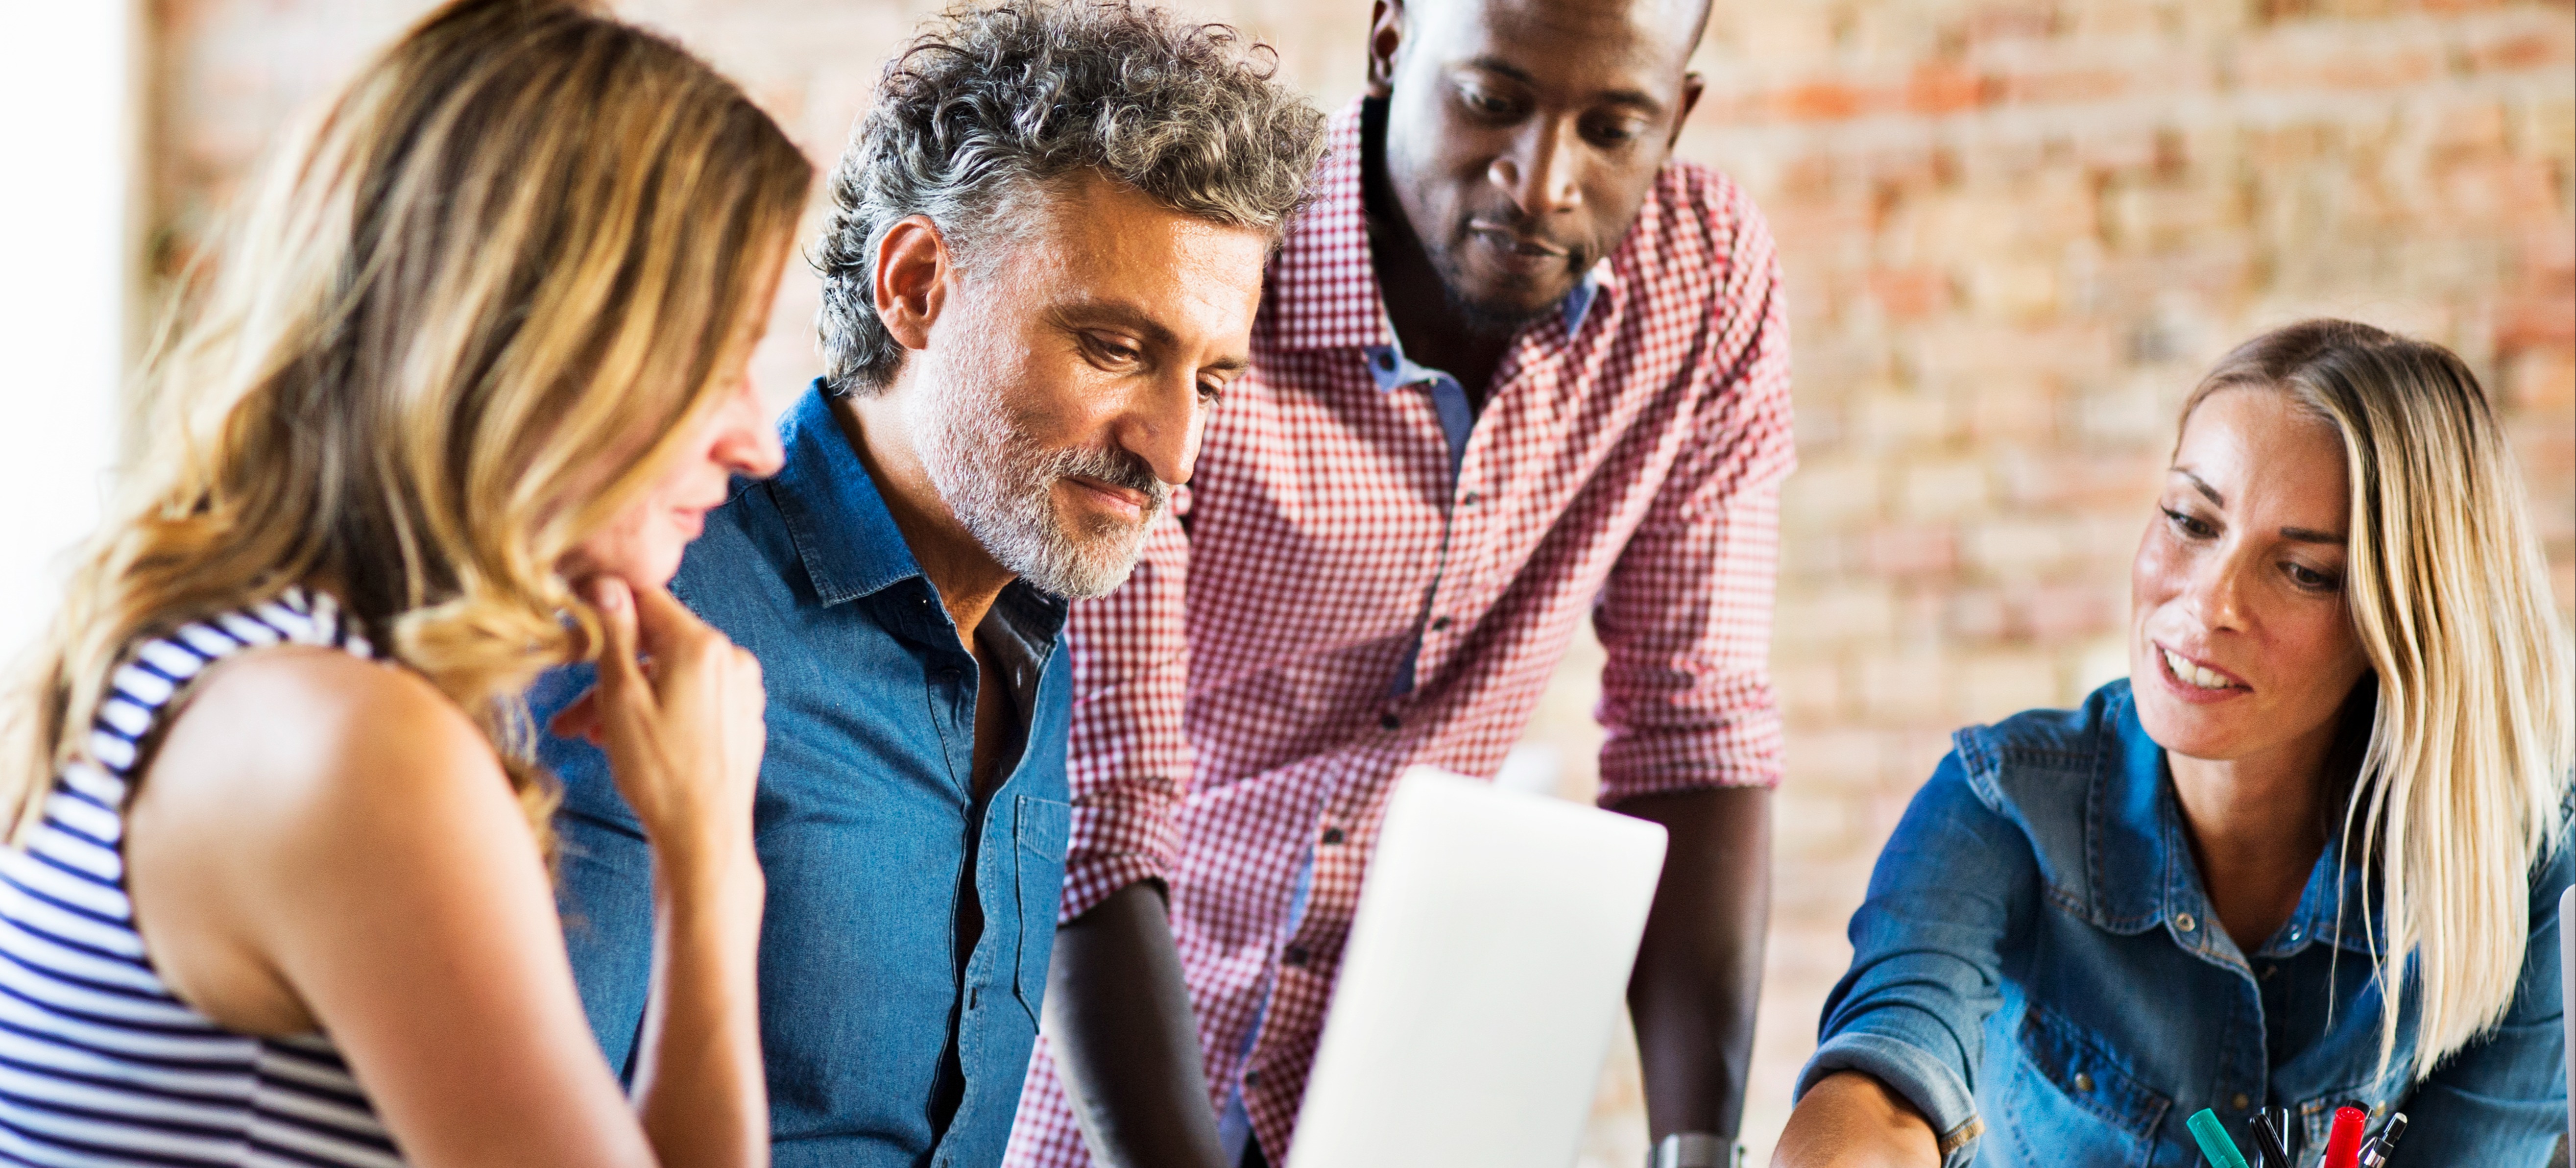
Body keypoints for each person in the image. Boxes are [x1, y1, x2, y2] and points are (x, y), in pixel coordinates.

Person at [0, 2, 812, 1166]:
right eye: (720, 359)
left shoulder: (212, 659)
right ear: (548, 342)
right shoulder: (354, 743)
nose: (758, 438)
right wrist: (713, 862)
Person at [528, 4, 1326, 1167]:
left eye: (1208, 381)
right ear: (912, 285)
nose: (1172, 450)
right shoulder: (651, 615)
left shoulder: (1051, 626)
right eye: (1112, 348)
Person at [1007, 0, 1792, 1165]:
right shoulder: (1211, 265)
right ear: (1388, 41)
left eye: (1613, 129)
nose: (1539, 183)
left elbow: (1694, 736)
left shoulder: (1704, 282)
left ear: (1677, 116)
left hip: (1398, 1097)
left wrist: (1696, 1153)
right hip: (1105, 1073)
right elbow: (1095, 810)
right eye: (1490, 102)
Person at [1774, 320, 2574, 1167]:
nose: (2207, 603)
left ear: (2406, 621)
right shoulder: (2001, 803)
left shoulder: (2524, 871)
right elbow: (1884, 1076)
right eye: (2192, 521)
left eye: (2302, 571)